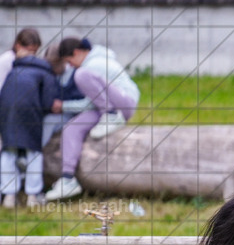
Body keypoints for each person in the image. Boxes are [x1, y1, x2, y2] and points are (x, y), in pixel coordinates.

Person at [45, 38, 140, 201]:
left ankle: (111, 116)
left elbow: (90, 102)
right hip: (104, 107)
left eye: (70, 61)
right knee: (71, 128)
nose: (71, 66)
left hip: (123, 104)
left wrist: (64, 106)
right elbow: (94, 101)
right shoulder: (89, 65)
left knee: (81, 75)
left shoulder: (93, 65)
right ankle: (68, 179)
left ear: (76, 53)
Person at [0, 41, 61, 208]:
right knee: (33, 152)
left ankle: (9, 197)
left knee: (9, 151)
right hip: (30, 113)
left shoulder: (14, 70)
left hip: (5, 111)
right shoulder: (46, 73)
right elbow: (49, 103)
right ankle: (32, 196)